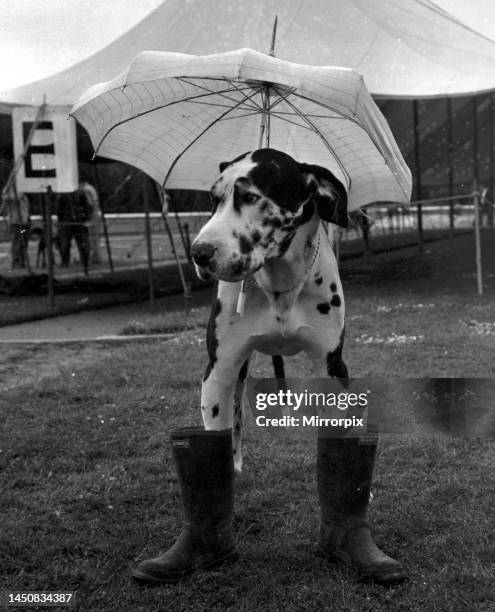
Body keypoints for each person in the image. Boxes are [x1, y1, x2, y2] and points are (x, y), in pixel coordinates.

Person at [56, 187, 93, 275]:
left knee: (79, 242)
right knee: (67, 243)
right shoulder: (77, 192)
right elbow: (59, 209)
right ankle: (69, 262)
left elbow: (58, 209)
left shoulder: (76, 193)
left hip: (73, 221)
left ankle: (73, 262)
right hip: (71, 221)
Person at [1, 189, 30, 269]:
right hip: (16, 223)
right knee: (17, 242)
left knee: (24, 242)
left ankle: (22, 261)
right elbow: (7, 197)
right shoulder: (12, 194)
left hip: (24, 223)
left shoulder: (24, 197)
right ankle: (16, 262)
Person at [80, 179, 102, 264]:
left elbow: (91, 204)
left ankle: (96, 258)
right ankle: (96, 257)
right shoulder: (90, 188)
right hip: (95, 214)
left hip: (93, 216)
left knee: (93, 239)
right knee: (95, 239)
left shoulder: (86, 189)